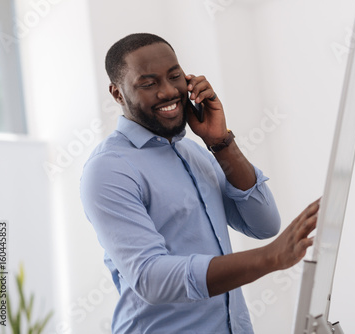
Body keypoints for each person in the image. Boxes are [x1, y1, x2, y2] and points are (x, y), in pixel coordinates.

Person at [80, 33, 319, 334]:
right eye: (149, 83)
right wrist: (270, 258)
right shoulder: (109, 169)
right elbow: (150, 278)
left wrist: (220, 142)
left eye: (174, 76)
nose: (168, 92)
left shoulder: (193, 152)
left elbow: (264, 224)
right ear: (118, 94)